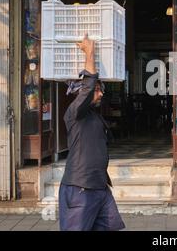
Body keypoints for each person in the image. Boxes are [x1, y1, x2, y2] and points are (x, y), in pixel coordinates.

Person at [58, 33, 125, 231]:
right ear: (81, 93)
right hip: (81, 188)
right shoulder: (74, 113)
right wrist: (90, 53)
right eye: (97, 89)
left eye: (101, 88)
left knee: (113, 228)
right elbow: (86, 89)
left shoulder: (93, 116)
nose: (101, 93)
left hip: (100, 188)